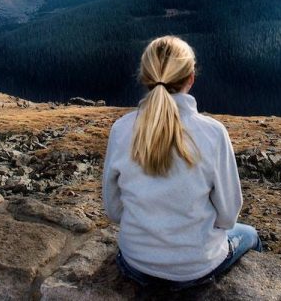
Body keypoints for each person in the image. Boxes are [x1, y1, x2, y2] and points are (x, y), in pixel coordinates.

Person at [101, 35, 262, 291]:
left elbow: (114, 210)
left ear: (145, 77)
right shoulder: (212, 133)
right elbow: (228, 216)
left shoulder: (121, 130)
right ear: (191, 78)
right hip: (195, 268)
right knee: (251, 235)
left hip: (135, 262)